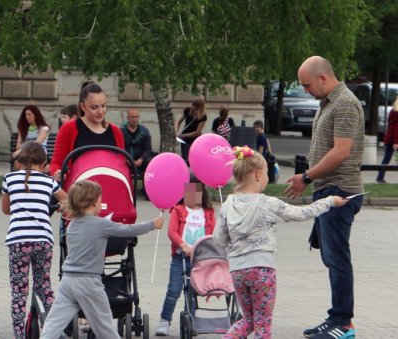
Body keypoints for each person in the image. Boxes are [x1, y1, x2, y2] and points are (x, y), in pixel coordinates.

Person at [213, 146, 347, 339]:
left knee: (247, 320)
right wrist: (329, 202)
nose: (267, 177)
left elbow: (219, 239)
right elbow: (301, 213)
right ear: (258, 174)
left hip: (237, 271)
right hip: (262, 270)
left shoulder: (228, 204)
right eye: (267, 173)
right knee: (262, 325)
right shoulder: (267, 203)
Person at [285, 56, 364, 339]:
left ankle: (343, 323)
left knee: (337, 258)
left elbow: (341, 152)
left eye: (307, 85)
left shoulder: (344, 104)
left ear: (322, 78)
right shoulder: (329, 103)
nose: (305, 90)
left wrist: (307, 177)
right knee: (332, 258)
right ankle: (336, 318)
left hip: (339, 190)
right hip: (328, 190)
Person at [39, 180, 163, 338]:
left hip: (68, 281)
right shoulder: (102, 224)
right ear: (91, 203)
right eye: (100, 200)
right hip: (89, 282)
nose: (101, 203)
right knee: (104, 328)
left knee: (53, 323)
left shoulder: (72, 225)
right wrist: (152, 224)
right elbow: (128, 230)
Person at [1, 141, 67, 339]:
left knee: (19, 292)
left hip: (18, 240)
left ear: (18, 163)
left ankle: (20, 335)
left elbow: (6, 210)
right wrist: (60, 208)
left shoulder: (9, 179)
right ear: (44, 163)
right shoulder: (49, 182)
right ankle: (58, 331)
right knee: (44, 287)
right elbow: (68, 199)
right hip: (43, 240)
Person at [155, 179, 215, 336]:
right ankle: (165, 320)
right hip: (180, 258)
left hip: (199, 259)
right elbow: (172, 232)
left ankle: (191, 320)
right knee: (173, 290)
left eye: (197, 191)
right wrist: (184, 246)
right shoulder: (178, 210)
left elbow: (213, 234)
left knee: (192, 292)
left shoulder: (208, 212)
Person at [49, 81, 125, 182]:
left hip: (110, 188)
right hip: (79, 190)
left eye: (103, 106)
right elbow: (56, 163)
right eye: (94, 107)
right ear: (83, 106)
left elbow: (122, 164)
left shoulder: (115, 131)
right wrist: (57, 173)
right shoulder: (69, 128)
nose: (100, 111)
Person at [176, 97, 207, 163]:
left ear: (200, 108)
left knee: (196, 160)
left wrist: (183, 135)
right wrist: (176, 132)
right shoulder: (187, 111)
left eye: (196, 107)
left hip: (196, 140)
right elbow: (178, 122)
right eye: (193, 105)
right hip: (185, 140)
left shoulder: (203, 116)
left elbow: (197, 132)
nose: (193, 108)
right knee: (186, 160)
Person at [120, 108, 153, 173]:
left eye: (136, 117)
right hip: (126, 161)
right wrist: (126, 159)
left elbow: (148, 149)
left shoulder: (144, 131)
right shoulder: (121, 131)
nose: (135, 119)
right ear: (128, 118)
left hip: (141, 161)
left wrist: (141, 159)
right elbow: (119, 148)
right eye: (132, 117)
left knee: (151, 163)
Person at [376, 97, 398, 183]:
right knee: (386, 158)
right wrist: (396, 142)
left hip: (389, 139)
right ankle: (380, 178)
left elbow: (391, 127)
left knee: (386, 159)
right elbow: (396, 129)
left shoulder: (392, 111)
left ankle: (380, 177)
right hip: (395, 140)